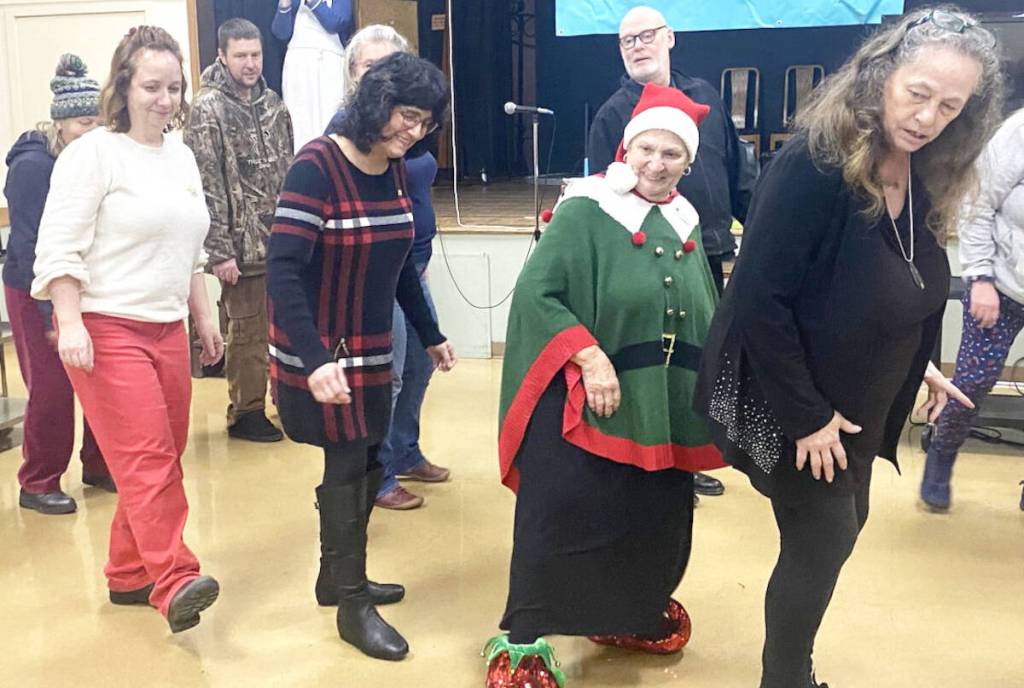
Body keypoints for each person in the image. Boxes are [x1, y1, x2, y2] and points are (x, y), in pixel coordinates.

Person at [695, 9, 1003, 686]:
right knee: (824, 538)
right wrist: (807, 417)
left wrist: (917, 364)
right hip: (793, 394)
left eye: (950, 106)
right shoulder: (814, 162)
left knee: (843, 525)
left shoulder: (921, 169)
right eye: (918, 93)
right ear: (881, 74)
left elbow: (900, 281)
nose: (928, 117)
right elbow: (758, 300)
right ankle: (786, 679)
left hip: (859, 397)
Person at [483, 83, 725, 687]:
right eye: (646, 149)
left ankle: (626, 611)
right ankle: (525, 638)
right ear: (625, 149)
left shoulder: (685, 218)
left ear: (688, 163)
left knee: (649, 513)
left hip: (661, 399)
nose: (656, 164)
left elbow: (703, 305)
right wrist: (590, 358)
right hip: (586, 395)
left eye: (671, 154)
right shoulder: (586, 209)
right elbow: (538, 294)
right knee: (566, 512)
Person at [31, 26, 225, 633]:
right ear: (123, 86)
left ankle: (127, 572)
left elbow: (188, 247)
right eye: (151, 87)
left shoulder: (180, 155)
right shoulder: (93, 153)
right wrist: (69, 322)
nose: (165, 100)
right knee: (147, 460)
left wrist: (203, 315)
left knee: (163, 453)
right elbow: (58, 246)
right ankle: (176, 578)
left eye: (174, 88)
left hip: (167, 326)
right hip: (106, 326)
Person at [267, 52, 456, 661]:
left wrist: (429, 332)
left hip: (372, 350)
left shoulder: (393, 168)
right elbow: (283, 270)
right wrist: (314, 358)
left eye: (425, 123)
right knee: (348, 466)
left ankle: (336, 576)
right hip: (322, 352)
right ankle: (351, 603)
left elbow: (398, 264)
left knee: (372, 457)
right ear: (377, 103)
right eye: (406, 116)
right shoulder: (317, 166)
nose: (414, 131)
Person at [588, 6, 746, 498]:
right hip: (645, 260)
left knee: (703, 357)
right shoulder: (611, 114)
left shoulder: (706, 97)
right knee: (659, 361)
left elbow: (736, 169)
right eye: (627, 40)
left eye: (646, 36)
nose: (637, 46)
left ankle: (693, 449)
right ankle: (655, 454)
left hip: (707, 249)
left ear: (669, 37)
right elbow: (600, 198)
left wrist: (758, 225)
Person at [324, 24, 451, 511]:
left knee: (422, 362)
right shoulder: (347, 131)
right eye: (369, 66)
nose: (379, 75)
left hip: (412, 263)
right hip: (378, 271)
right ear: (352, 73)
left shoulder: (409, 128)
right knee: (390, 376)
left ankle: (405, 451)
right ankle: (377, 476)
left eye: (389, 65)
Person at [3, 54, 111, 514]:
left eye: (98, 122)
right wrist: (55, 318)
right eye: (84, 123)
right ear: (61, 123)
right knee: (51, 388)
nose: (93, 130)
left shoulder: (92, 158)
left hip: (86, 284)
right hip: (34, 289)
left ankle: (100, 465)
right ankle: (38, 480)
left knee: (101, 379)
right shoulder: (32, 166)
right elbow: (31, 247)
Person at [185, 17, 293, 442]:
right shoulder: (207, 108)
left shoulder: (273, 104)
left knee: (283, 329)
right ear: (222, 56)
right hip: (239, 246)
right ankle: (246, 412)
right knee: (247, 333)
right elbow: (205, 183)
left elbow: (289, 168)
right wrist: (220, 250)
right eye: (241, 55)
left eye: (256, 54)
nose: (250, 64)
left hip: (279, 242)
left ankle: (286, 402)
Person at [920, 106, 1024, 511]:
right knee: (972, 381)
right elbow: (977, 203)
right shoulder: (1018, 132)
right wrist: (980, 278)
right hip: (1000, 283)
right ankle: (942, 451)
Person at [272, 0, 353, 150]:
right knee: (298, 118)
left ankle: (331, 157)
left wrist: (312, 2)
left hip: (330, 64)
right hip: (298, 66)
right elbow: (281, 33)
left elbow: (336, 23)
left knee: (330, 113)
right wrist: (284, 6)